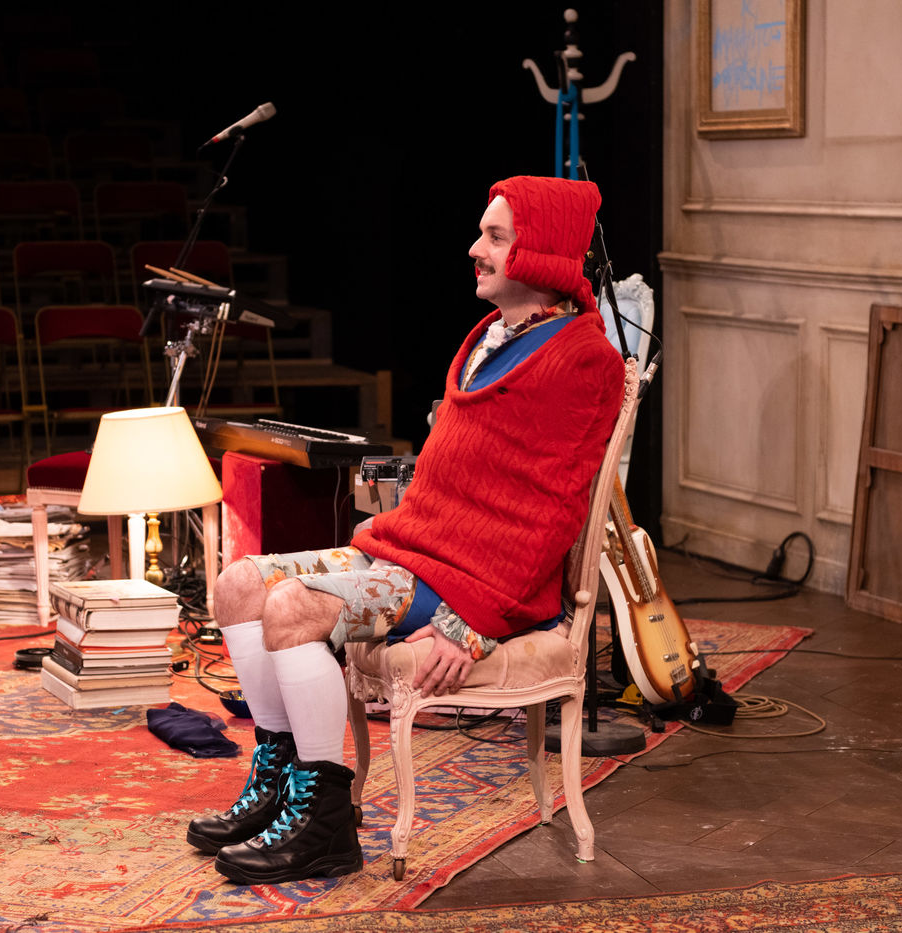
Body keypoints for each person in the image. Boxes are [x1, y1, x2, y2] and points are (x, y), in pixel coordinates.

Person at [188, 176, 624, 885]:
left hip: (471, 583)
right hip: (416, 551)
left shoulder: (582, 358)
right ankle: (280, 780)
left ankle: (323, 823)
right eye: (482, 233)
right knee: (238, 583)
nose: (475, 248)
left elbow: (557, 512)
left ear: (541, 252)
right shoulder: (492, 337)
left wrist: (469, 624)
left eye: (496, 236)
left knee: (292, 607)